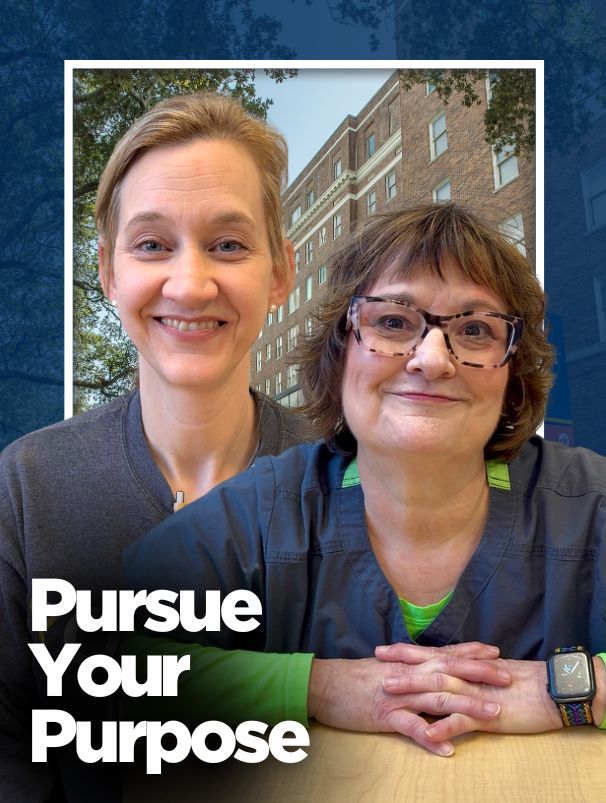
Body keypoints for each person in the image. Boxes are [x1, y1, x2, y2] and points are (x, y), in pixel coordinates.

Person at [125, 203, 606, 760]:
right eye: (394, 322)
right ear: (339, 351)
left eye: (475, 330)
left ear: (513, 370)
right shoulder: (260, 512)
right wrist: (312, 686)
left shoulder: (589, 503)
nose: (431, 359)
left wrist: (571, 689)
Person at [0, 92, 312, 801]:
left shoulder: (354, 480)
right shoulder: (27, 488)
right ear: (109, 270)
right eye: (152, 244)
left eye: (228, 244)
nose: (191, 282)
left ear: (279, 273)